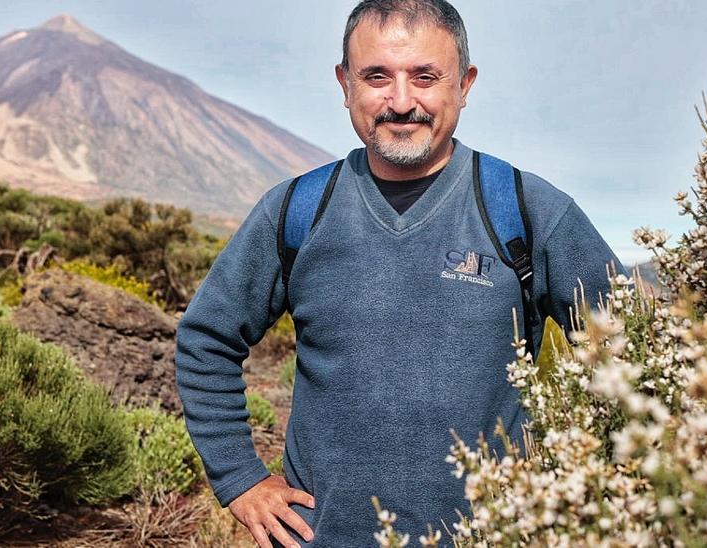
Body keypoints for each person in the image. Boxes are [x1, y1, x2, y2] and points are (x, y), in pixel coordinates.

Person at [174, 1, 624, 546]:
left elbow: (627, 353)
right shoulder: (296, 209)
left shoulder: (526, 210)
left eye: (426, 77)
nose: (402, 101)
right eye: (377, 76)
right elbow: (207, 338)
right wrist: (239, 479)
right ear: (345, 83)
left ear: (464, 84)